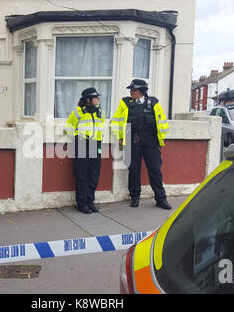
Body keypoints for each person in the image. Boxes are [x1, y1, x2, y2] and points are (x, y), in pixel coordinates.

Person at [111, 79, 172, 210]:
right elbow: (115, 121)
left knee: (155, 170)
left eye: (133, 90)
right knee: (133, 170)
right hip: (132, 140)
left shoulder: (154, 102)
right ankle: (134, 197)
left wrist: (161, 139)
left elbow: (162, 122)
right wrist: (121, 137)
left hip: (151, 141)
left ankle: (161, 199)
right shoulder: (125, 103)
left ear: (140, 91)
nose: (131, 92)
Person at [65, 87, 105, 214]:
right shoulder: (78, 112)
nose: (98, 99)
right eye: (96, 98)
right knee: (81, 175)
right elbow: (69, 126)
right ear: (88, 100)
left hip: (95, 145)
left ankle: (90, 201)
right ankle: (82, 203)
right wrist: (77, 138)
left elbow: (101, 127)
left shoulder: (99, 112)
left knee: (94, 175)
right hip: (82, 145)